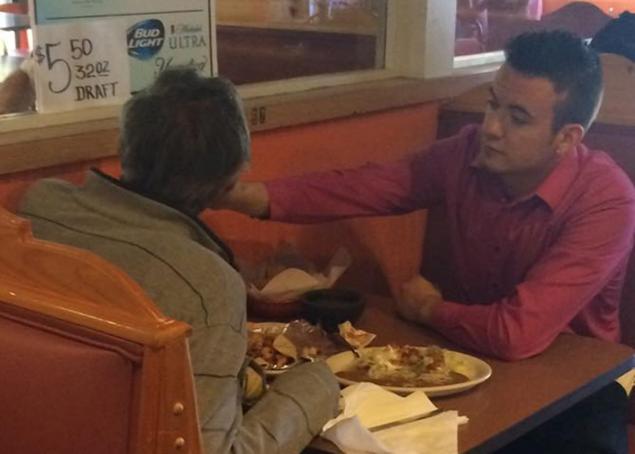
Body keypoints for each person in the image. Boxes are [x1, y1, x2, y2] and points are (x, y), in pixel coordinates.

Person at [216, 30, 634, 453]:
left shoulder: (605, 199)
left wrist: (428, 308)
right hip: (469, 365)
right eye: (493, 104)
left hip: (579, 390)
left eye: (517, 118)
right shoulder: (467, 152)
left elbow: (517, 334)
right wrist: (248, 196)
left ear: (567, 138)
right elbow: (370, 185)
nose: (491, 128)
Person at [18, 68, 339, 453]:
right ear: (230, 180)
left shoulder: (40, 205)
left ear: (125, 145)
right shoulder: (206, 285)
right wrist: (316, 387)